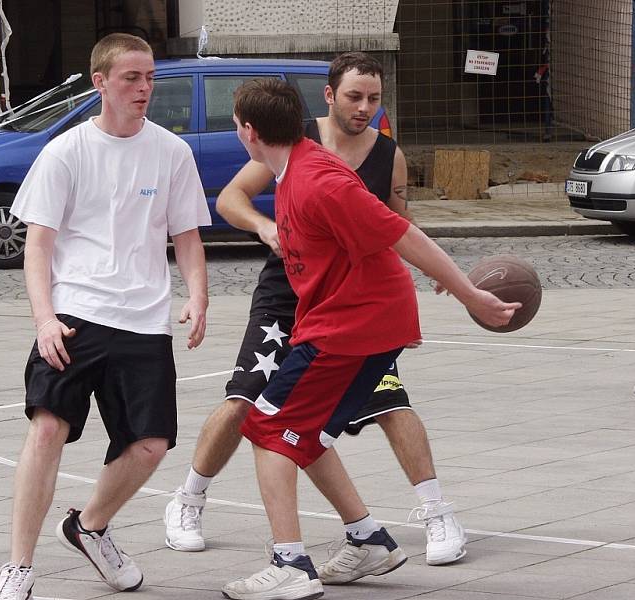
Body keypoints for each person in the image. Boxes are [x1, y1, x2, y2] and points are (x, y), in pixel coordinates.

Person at [164, 52, 468, 567]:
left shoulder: (380, 155)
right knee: (250, 401)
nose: (365, 107)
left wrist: (446, 275)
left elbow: (397, 223)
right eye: (355, 96)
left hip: (348, 306)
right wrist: (265, 228)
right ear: (329, 95)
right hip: (289, 292)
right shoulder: (289, 139)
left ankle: (431, 512)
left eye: (374, 98)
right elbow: (231, 200)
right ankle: (189, 498)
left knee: (385, 402)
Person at [220, 78, 519, 600]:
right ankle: (368, 540)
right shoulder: (293, 167)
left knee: (268, 429)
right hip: (344, 325)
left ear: (247, 131)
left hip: (354, 329)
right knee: (304, 435)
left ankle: (289, 564)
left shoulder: (319, 181)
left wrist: (469, 293)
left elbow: (403, 234)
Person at [0, 33, 211, 600]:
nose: (144, 88)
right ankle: (19, 566)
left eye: (150, 78)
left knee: (151, 445)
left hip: (142, 320)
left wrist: (198, 295)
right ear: (100, 83)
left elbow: (186, 235)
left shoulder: (171, 152)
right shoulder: (66, 151)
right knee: (47, 430)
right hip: (75, 314)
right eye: (132, 78)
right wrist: (45, 320)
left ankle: (88, 527)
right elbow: (37, 246)